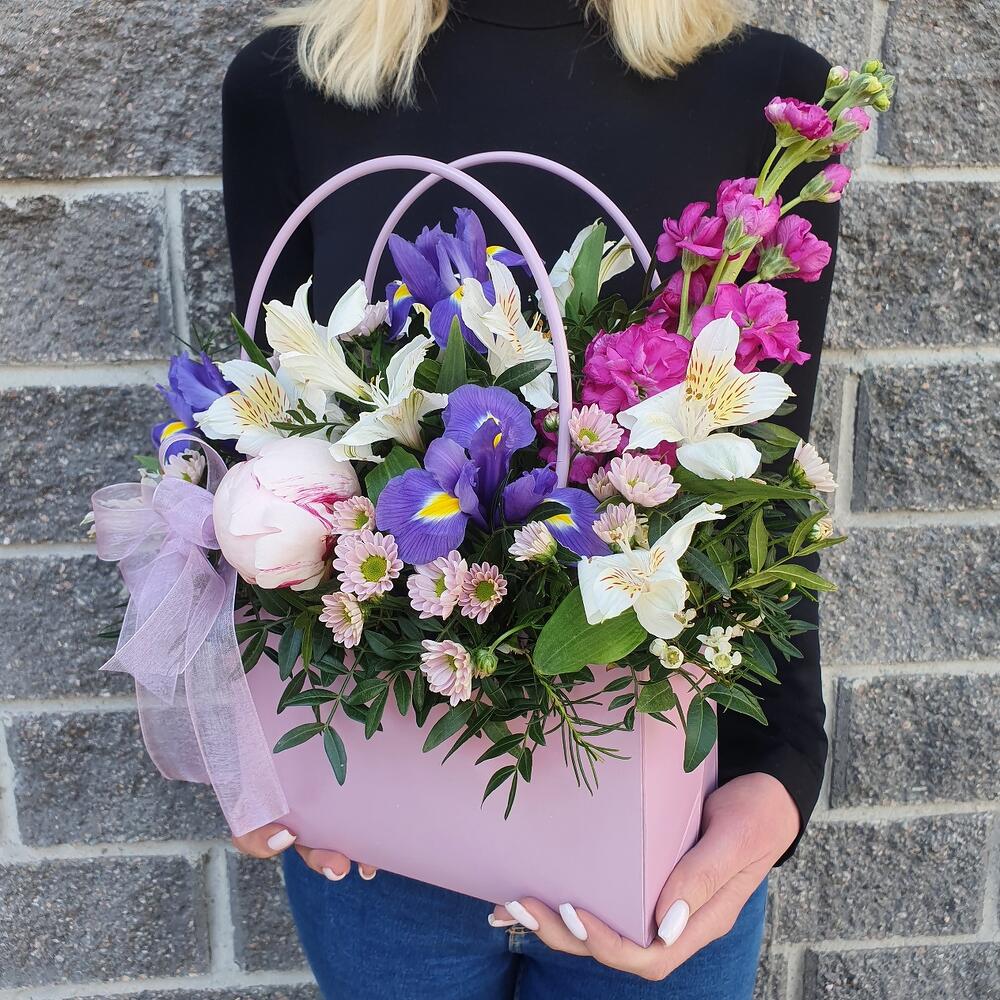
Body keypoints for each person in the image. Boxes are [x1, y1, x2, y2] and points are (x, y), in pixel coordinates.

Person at [222, 2, 837, 996]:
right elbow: (273, 457)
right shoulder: (293, 84)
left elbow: (763, 491)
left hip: (657, 838)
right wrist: (254, 747)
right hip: (377, 842)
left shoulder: (770, 99)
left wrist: (781, 777)